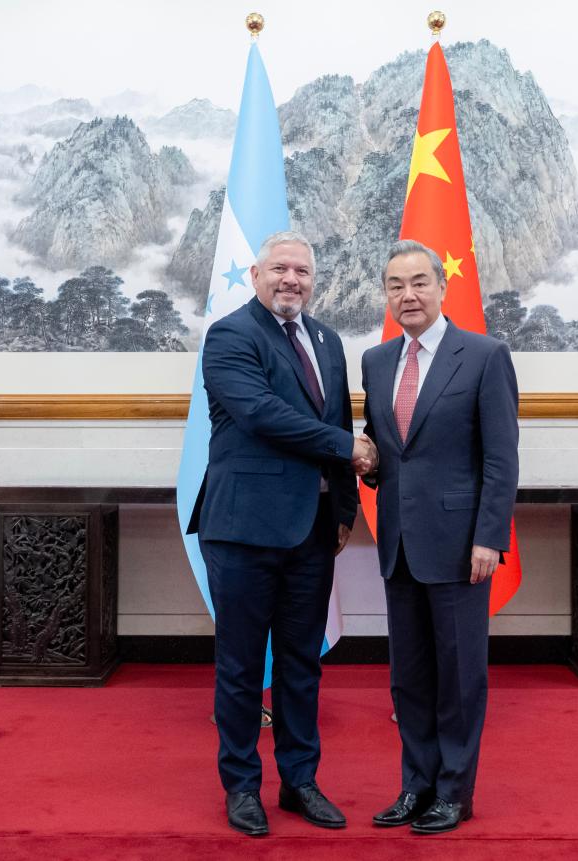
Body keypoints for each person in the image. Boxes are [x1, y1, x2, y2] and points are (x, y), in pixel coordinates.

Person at [187, 230, 377, 837]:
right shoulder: (231, 335)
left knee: (301, 664)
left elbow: (336, 417)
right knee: (243, 666)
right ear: (256, 276)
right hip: (243, 531)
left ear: (313, 281)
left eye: (302, 271)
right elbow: (262, 414)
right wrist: (348, 447)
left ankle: (299, 782)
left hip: (311, 532)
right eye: (280, 269)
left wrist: (343, 509)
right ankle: (242, 786)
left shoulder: (326, 340)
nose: (291, 279)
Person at [359, 239, 519, 834]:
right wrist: (365, 462)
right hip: (399, 543)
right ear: (386, 294)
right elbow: (388, 450)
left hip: (460, 545)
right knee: (409, 678)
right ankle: (416, 785)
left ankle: (454, 791)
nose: (408, 295)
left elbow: (501, 458)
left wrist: (489, 537)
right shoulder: (376, 361)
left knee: (458, 676)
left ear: (442, 287)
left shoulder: (483, 355)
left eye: (419, 282)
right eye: (396, 285)